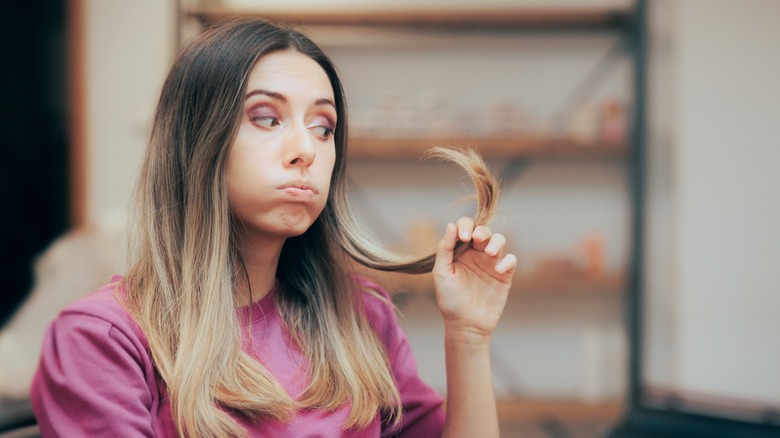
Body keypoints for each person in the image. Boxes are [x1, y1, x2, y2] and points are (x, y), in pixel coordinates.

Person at [30, 18, 516, 437]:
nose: (305, 149)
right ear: (196, 141)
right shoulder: (101, 341)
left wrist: (468, 336)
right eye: (266, 118)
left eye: (323, 127)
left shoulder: (365, 317)